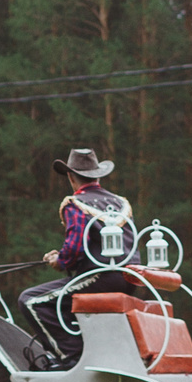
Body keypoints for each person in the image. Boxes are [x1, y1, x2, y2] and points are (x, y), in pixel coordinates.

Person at [18, 148, 142, 362]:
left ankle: (72, 356)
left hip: (100, 277)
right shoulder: (120, 202)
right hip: (131, 278)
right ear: (98, 175)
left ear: (70, 176)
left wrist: (60, 260)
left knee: (30, 300)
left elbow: (75, 246)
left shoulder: (75, 203)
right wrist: (64, 256)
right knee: (60, 300)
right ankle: (84, 346)